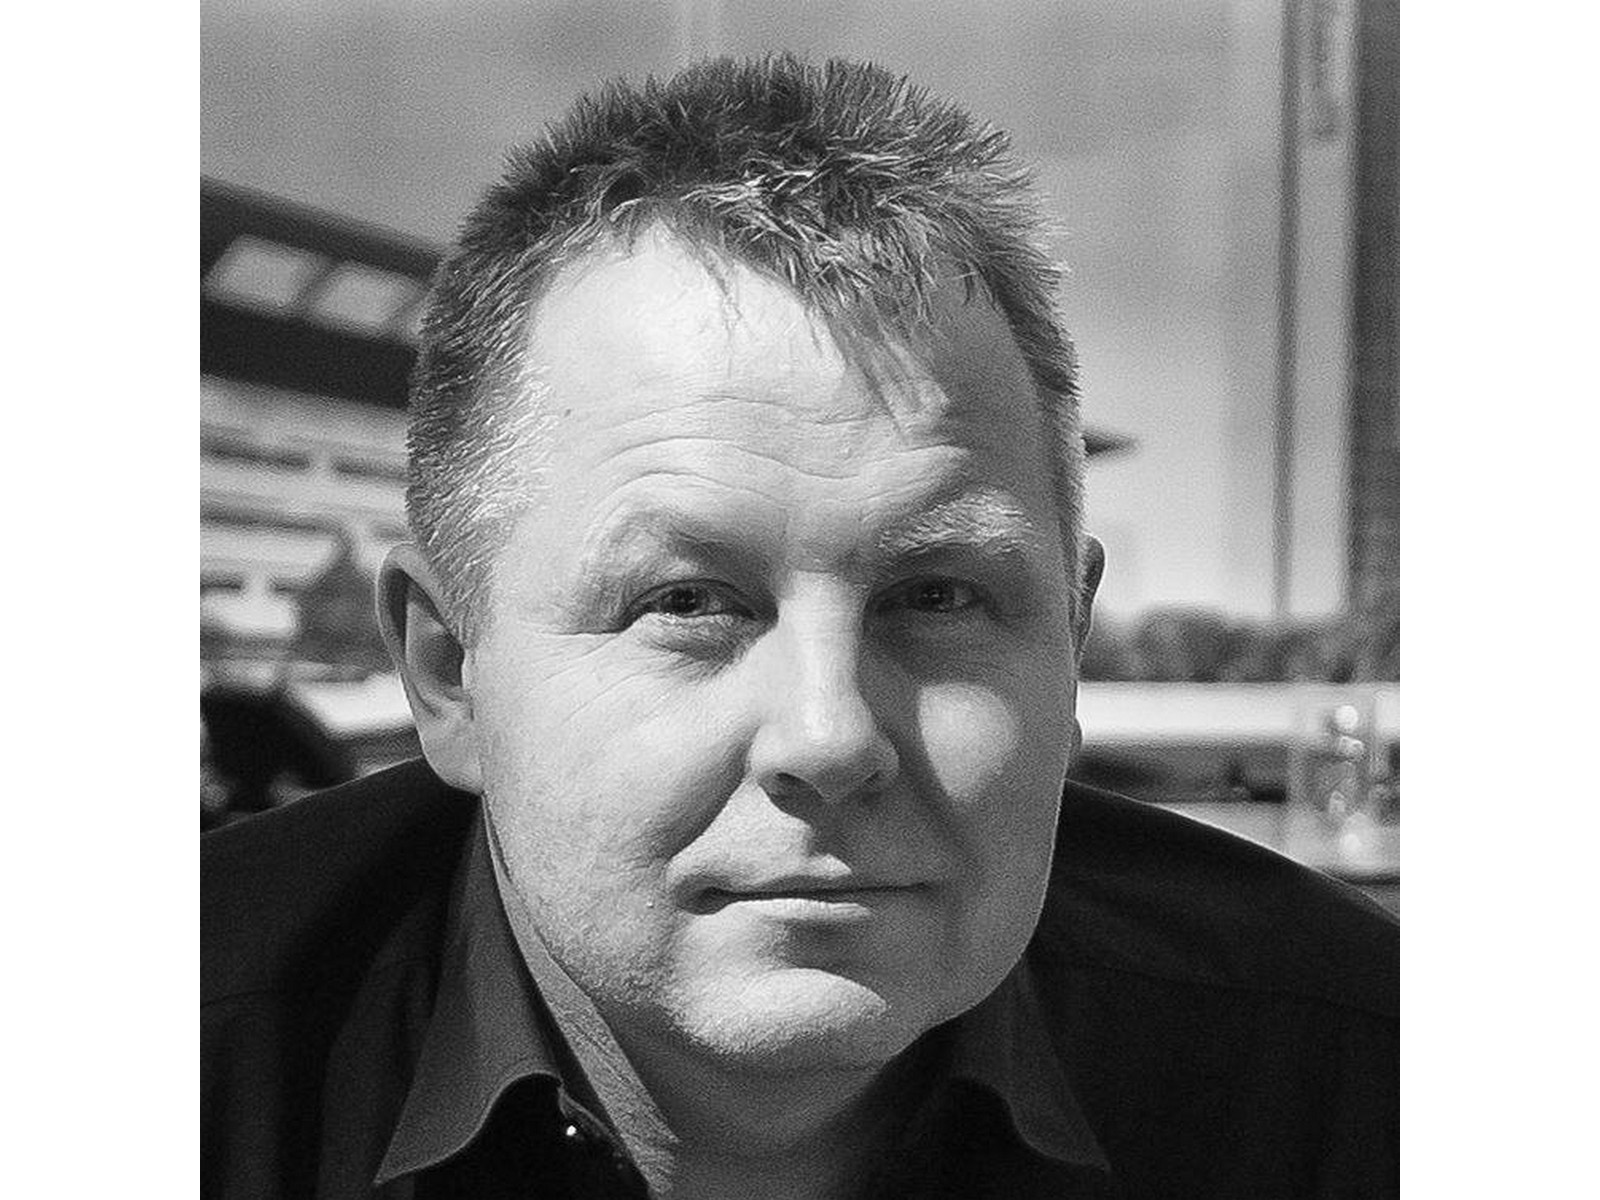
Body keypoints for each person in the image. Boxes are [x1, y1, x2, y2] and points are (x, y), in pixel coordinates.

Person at [202, 56, 1398, 1199]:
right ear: (450, 673)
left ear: (1067, 651)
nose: (829, 737)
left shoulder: (1358, 1085)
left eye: (936, 597)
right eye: (684, 602)